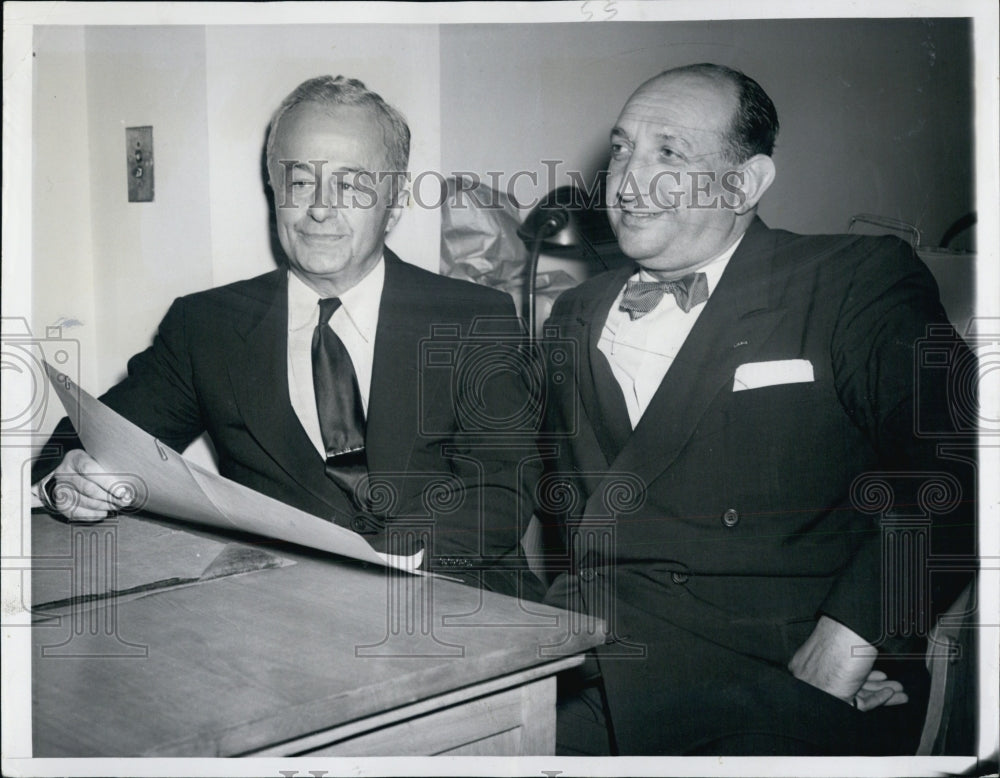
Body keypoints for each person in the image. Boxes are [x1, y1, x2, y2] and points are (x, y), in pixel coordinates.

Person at [537, 63, 976, 754]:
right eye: (621, 149)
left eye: (669, 153)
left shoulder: (852, 280)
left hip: (770, 681)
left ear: (745, 182)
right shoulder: (572, 313)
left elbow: (961, 465)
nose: (624, 182)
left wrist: (854, 639)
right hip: (583, 655)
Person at [33, 75, 538, 589]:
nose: (320, 208)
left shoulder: (475, 318)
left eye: (351, 185)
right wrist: (70, 480)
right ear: (274, 190)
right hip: (286, 613)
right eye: (300, 182)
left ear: (398, 200)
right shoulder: (206, 326)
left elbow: (504, 491)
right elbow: (83, 440)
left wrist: (373, 561)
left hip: (459, 599)